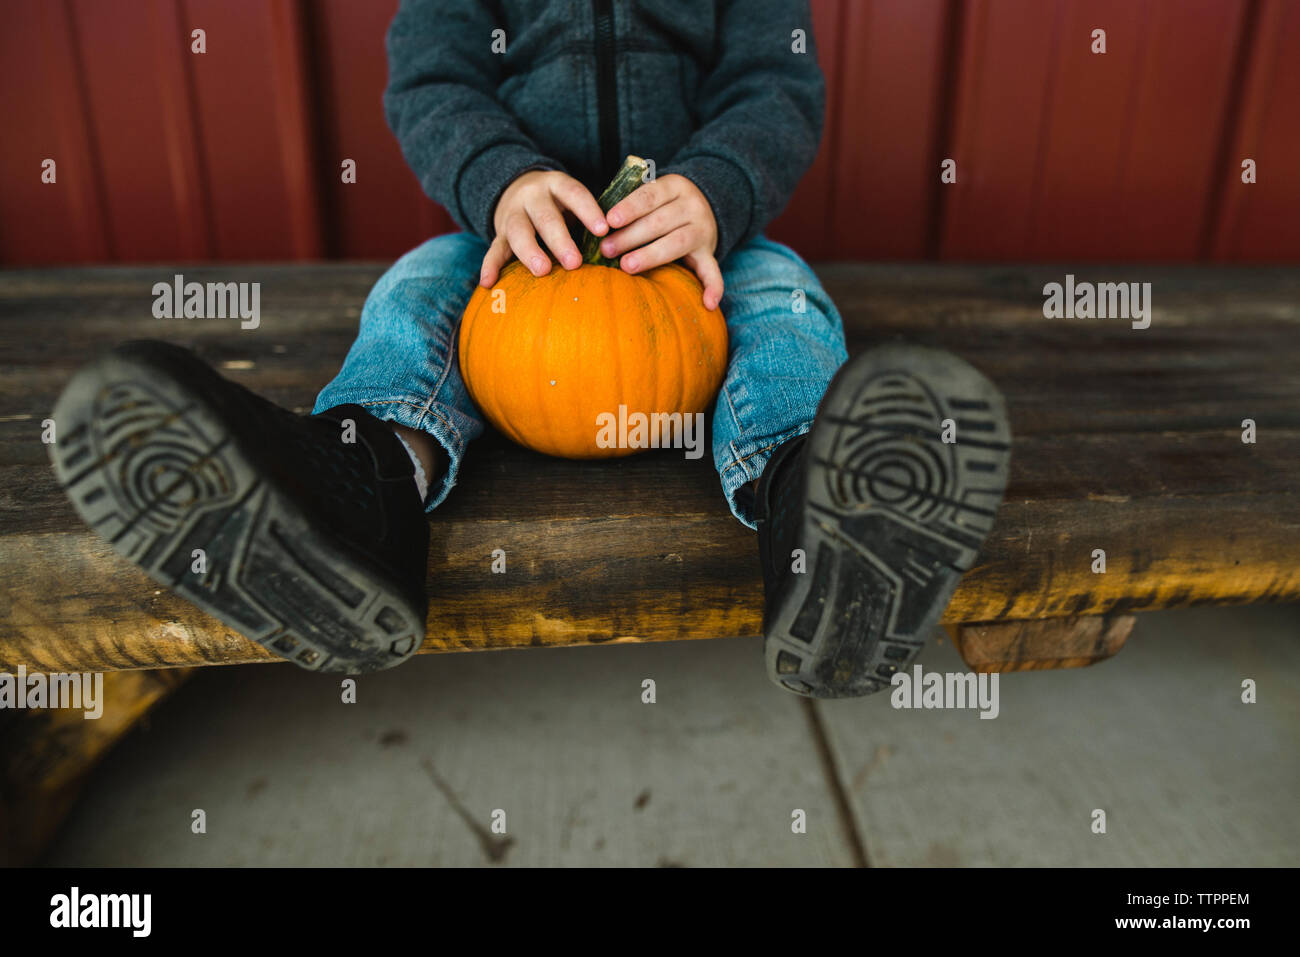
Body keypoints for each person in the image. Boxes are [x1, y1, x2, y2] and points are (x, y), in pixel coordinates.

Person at [49, 0, 1010, 697]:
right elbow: (432, 82)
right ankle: (363, 491)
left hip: (693, 243)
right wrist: (503, 179)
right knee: (422, 285)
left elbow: (779, 85)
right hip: (517, 234)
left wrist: (716, 187)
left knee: (782, 294)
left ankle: (814, 509)